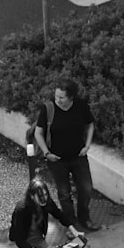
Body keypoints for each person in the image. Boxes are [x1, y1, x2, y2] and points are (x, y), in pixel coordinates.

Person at [34, 79, 101, 231]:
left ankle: (85, 219)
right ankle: (71, 225)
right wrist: (47, 152)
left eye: (61, 97)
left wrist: (87, 144)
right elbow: (39, 132)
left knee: (86, 189)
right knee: (64, 194)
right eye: (56, 96)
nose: (57, 100)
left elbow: (90, 124)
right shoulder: (48, 109)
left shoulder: (80, 106)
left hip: (78, 156)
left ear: (71, 97)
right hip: (57, 160)